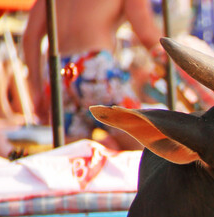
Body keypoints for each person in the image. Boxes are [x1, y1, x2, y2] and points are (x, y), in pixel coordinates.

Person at [22, 0, 163, 149]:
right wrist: (176, 62)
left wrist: (37, 90)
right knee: (148, 151)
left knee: (74, 160)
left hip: (59, 72)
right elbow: (146, 32)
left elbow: (30, 37)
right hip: (95, 65)